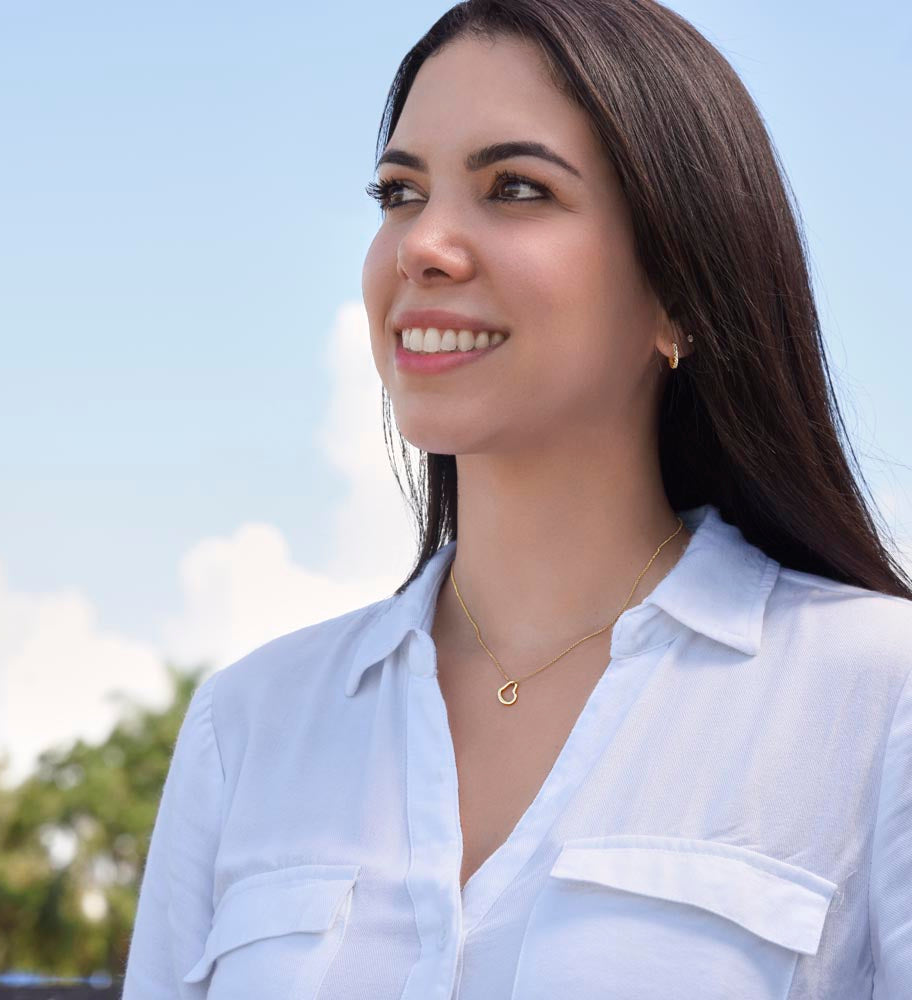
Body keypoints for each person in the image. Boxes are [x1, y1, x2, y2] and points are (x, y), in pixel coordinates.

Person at [120, 1, 912, 998]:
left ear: (679, 288)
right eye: (399, 192)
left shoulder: (879, 699)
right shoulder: (246, 726)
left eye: (516, 188)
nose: (423, 245)